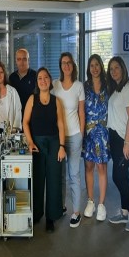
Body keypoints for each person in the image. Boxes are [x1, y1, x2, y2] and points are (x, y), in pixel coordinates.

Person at [23, 67, 66, 233]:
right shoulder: (32, 99)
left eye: (46, 77)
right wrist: (30, 142)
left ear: (50, 80)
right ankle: (36, 213)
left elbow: (61, 124)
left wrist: (62, 146)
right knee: (37, 179)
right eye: (40, 78)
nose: (43, 80)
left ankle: (50, 217)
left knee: (54, 180)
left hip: (54, 143)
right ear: (37, 82)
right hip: (37, 144)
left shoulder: (56, 101)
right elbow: (25, 122)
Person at [105, 56, 129, 232]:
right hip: (115, 137)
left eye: (116, 68)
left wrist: (127, 143)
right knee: (122, 176)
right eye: (111, 69)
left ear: (123, 69)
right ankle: (125, 212)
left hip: (124, 140)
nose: (113, 71)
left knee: (118, 177)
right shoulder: (116, 88)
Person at [52, 52, 85, 228]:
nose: (66, 66)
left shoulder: (79, 86)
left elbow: (81, 113)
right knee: (61, 174)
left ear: (73, 66)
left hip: (74, 135)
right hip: (59, 137)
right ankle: (62, 206)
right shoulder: (55, 85)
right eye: (64, 63)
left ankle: (76, 212)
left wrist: (81, 135)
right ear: (60, 66)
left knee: (74, 174)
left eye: (69, 63)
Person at [82, 54, 110, 222]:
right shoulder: (85, 86)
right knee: (89, 167)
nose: (94, 68)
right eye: (92, 65)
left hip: (103, 132)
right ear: (88, 68)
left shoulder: (108, 85)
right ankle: (90, 201)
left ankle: (101, 205)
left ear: (101, 66)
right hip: (88, 132)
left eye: (97, 65)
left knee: (102, 167)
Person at [9, 48, 37, 113]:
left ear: (28, 60)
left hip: (32, 114)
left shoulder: (36, 76)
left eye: (24, 59)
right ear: (16, 61)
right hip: (16, 114)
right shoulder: (12, 77)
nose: (21, 62)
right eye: (19, 59)